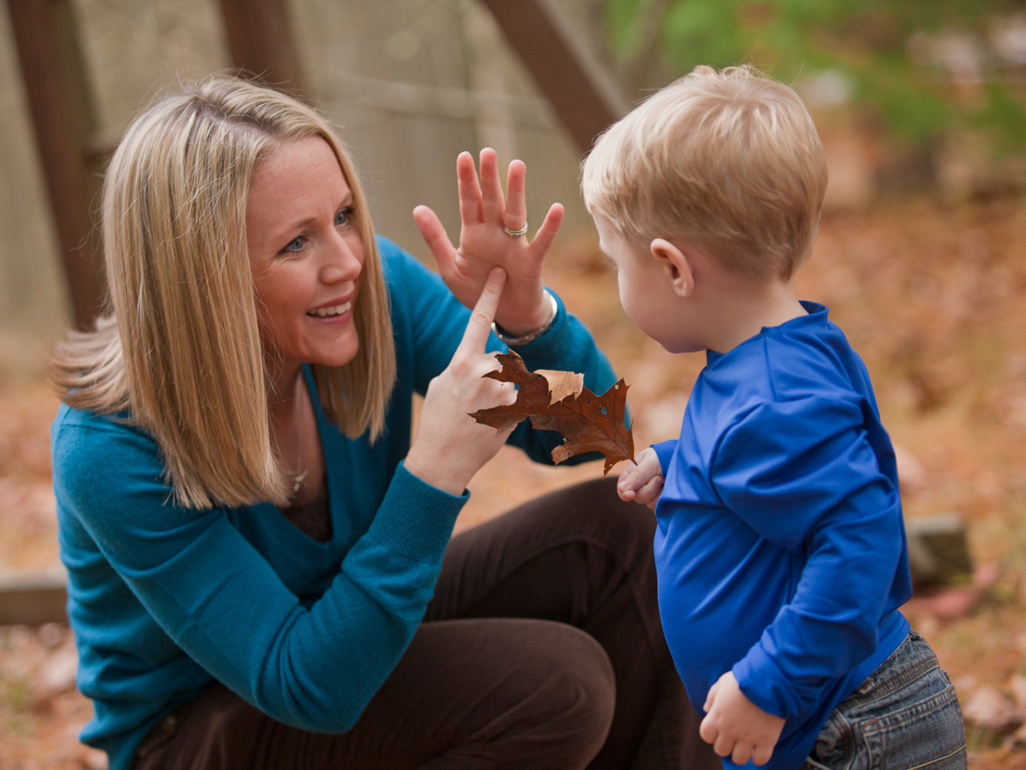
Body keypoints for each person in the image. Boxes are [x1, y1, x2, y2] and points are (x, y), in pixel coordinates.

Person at [49, 74, 718, 770]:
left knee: (620, 534)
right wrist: (432, 475)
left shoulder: (370, 293)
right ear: (204, 279)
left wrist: (529, 321)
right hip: (201, 727)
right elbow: (307, 685)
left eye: (343, 216)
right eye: (295, 244)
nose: (347, 261)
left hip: (347, 628)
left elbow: (594, 442)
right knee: (556, 686)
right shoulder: (108, 446)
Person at [581, 65, 968, 769]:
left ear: (673, 268)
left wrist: (770, 686)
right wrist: (682, 464)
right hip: (822, 716)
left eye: (616, 260)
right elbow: (776, 466)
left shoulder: (770, 399)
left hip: (849, 727)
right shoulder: (767, 365)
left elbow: (860, 542)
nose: (615, 278)